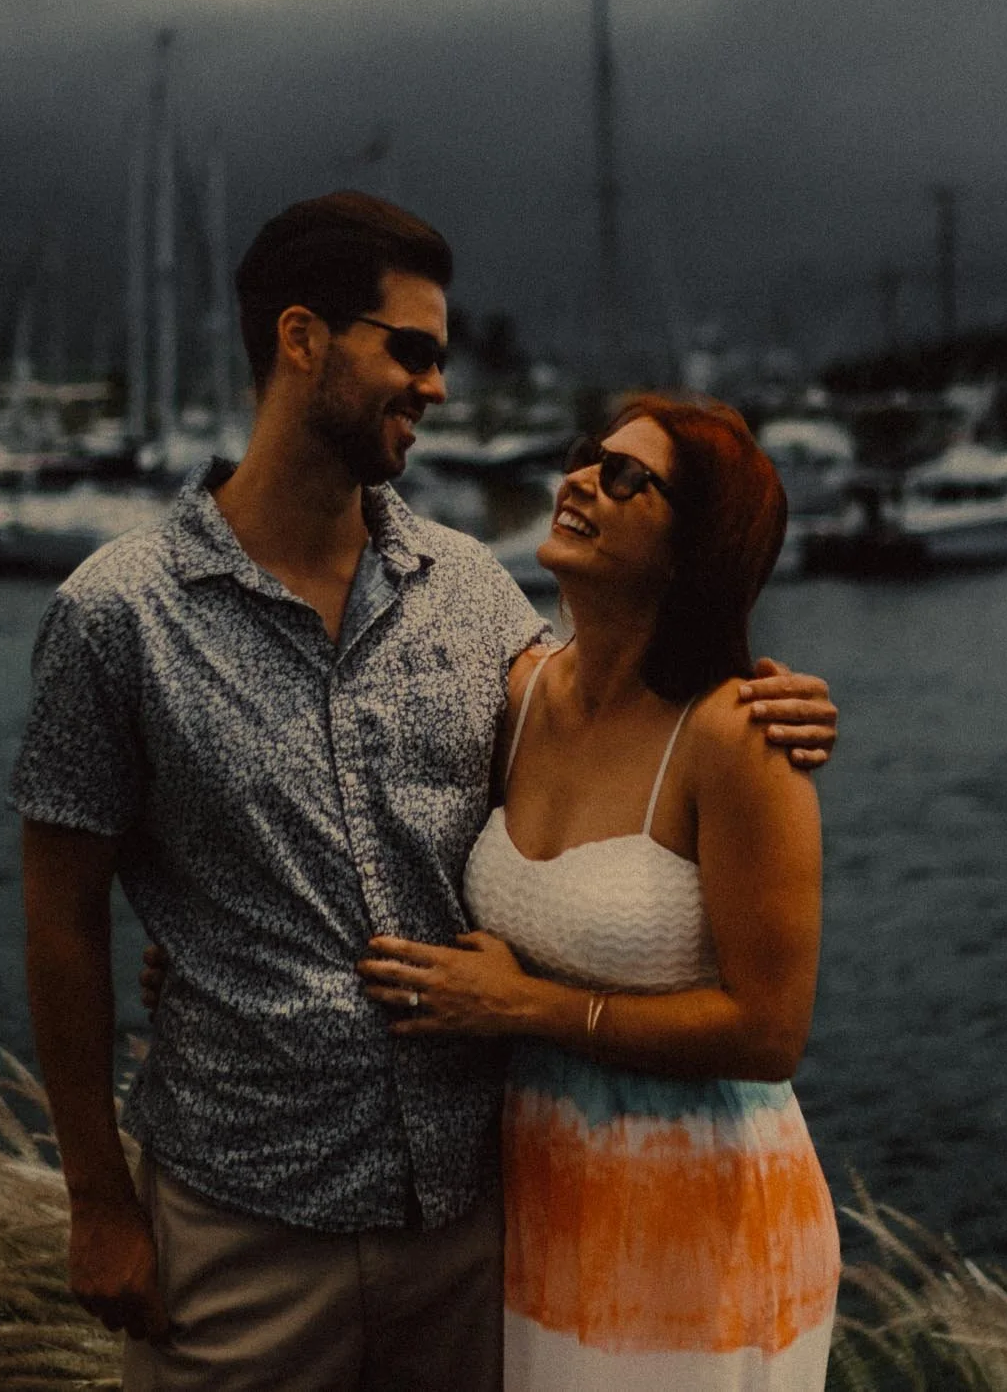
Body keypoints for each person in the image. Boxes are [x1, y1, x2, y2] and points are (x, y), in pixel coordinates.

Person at [14, 191, 837, 1392]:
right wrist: (98, 1200)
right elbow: (60, 921)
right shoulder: (114, 615)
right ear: (302, 340)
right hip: (242, 1218)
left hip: (478, 1228)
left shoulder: (473, 593)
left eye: (442, 359)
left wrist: (771, 695)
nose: (437, 388)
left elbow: (615, 728)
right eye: (410, 352)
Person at [356, 397, 840, 1389]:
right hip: (543, 1203)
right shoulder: (519, 694)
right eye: (587, 458)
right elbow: (372, 821)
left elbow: (770, 1031)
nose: (579, 481)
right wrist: (214, 938)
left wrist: (527, 1007)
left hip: (703, 1222)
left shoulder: (737, 739)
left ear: (690, 549)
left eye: (627, 478)